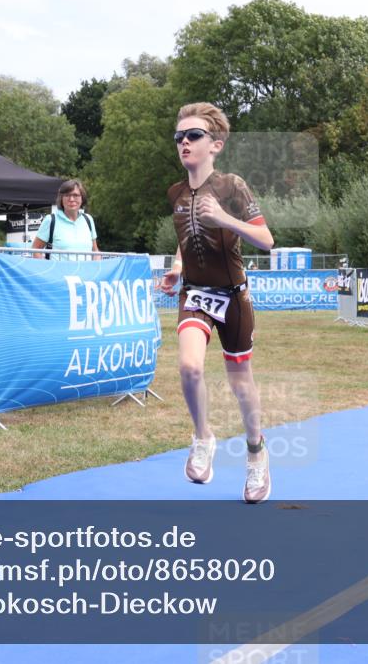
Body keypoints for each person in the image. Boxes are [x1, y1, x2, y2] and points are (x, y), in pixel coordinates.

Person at [156, 102, 275, 504]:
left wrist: (225, 218)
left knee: (241, 384)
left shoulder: (232, 187)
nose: (184, 143)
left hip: (233, 297)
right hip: (195, 295)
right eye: (179, 137)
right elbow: (184, 234)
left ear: (216, 145)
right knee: (189, 367)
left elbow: (266, 240)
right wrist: (176, 266)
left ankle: (257, 453)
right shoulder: (175, 192)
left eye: (193, 136)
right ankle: (203, 436)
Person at [31, 179, 99, 260]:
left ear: (82, 198)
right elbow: (35, 250)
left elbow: (95, 251)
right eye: (67, 195)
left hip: (85, 272)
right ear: (61, 199)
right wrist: (47, 269)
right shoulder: (51, 220)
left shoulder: (88, 219)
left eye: (76, 195)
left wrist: (96, 268)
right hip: (59, 272)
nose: (71, 199)